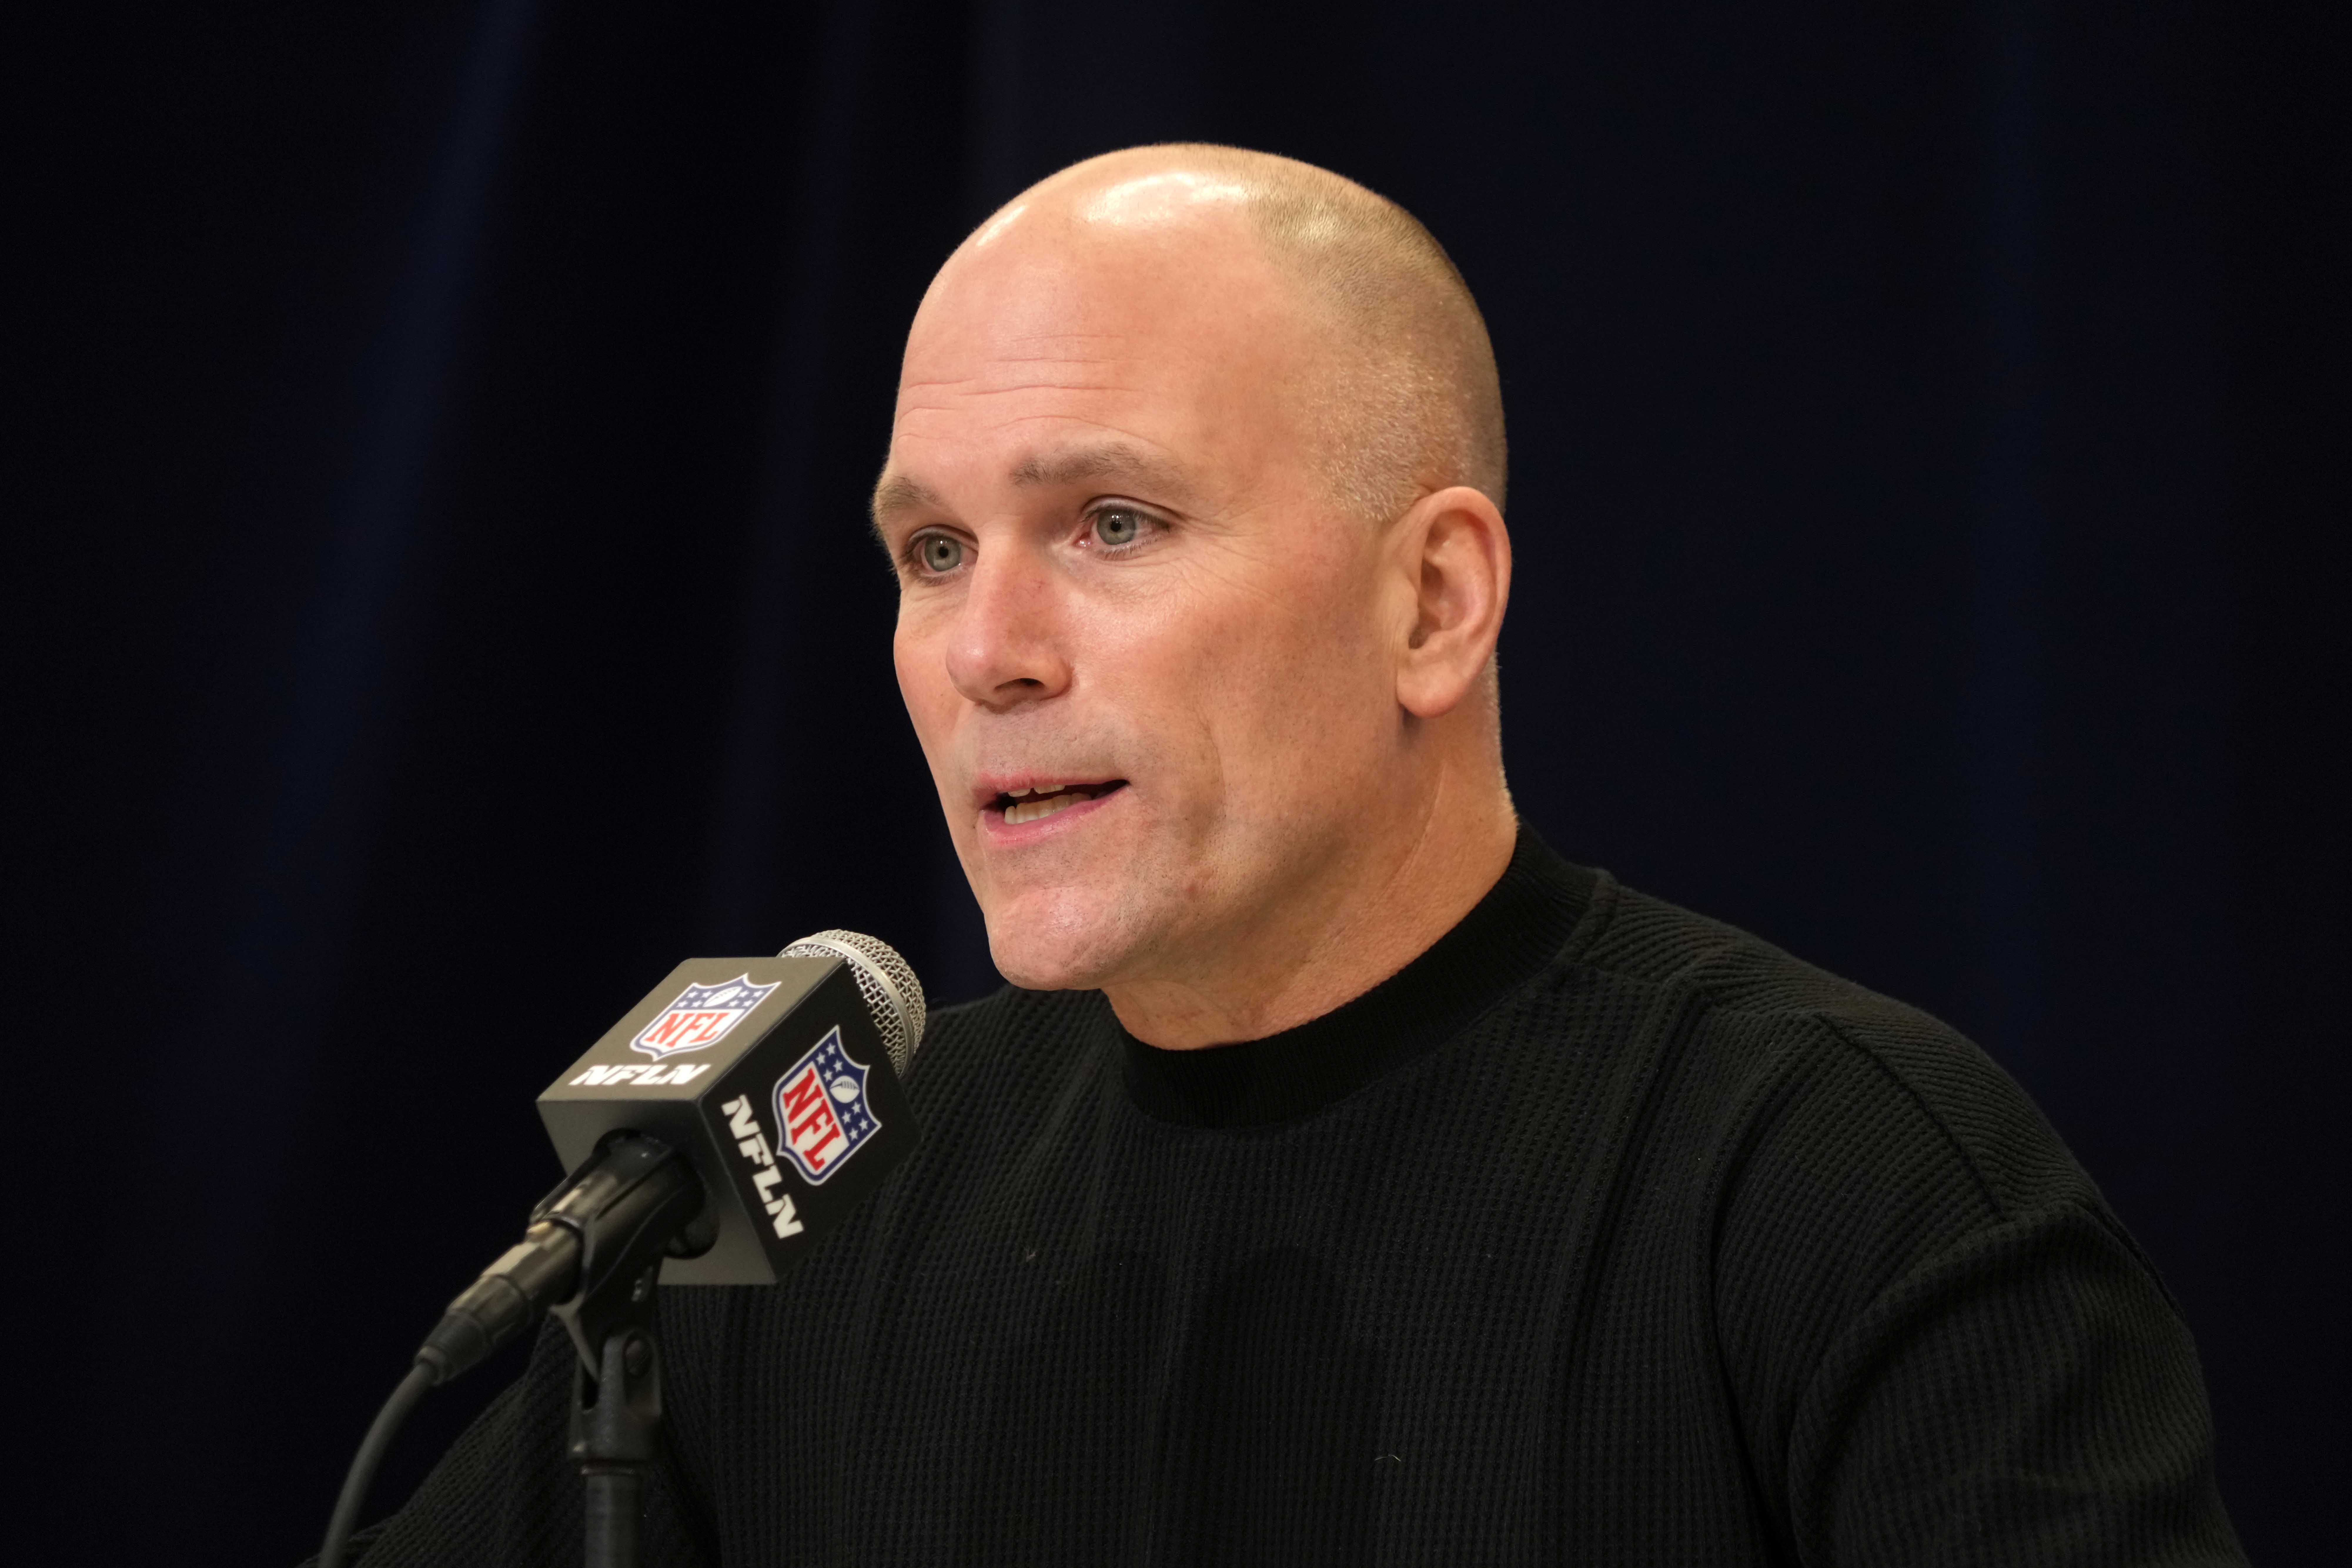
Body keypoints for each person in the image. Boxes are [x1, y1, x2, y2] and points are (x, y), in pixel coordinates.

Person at [333, 145, 2244, 1565]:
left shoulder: (1841, 1184)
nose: (988, 648)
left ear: (1432, 600)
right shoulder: (810, 1179)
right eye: (929, 552)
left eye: (1112, 521)